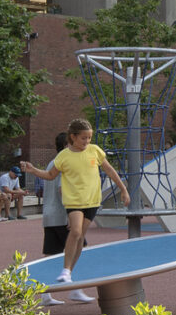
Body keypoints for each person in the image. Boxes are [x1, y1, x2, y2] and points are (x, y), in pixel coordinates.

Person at [21, 119, 129, 298]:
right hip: (73, 202)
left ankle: (69, 273)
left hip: (92, 201)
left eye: (89, 138)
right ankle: (65, 270)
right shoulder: (63, 156)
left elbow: (110, 171)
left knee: (80, 239)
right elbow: (49, 175)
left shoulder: (95, 151)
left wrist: (124, 190)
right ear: (73, 137)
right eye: (83, 138)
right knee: (76, 232)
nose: (87, 142)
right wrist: (33, 170)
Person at [39, 131, 69, 257]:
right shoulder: (64, 163)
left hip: (49, 215)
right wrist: (71, 213)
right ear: (66, 145)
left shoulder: (52, 163)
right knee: (80, 250)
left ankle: (49, 277)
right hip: (62, 216)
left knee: (51, 256)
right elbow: (62, 189)